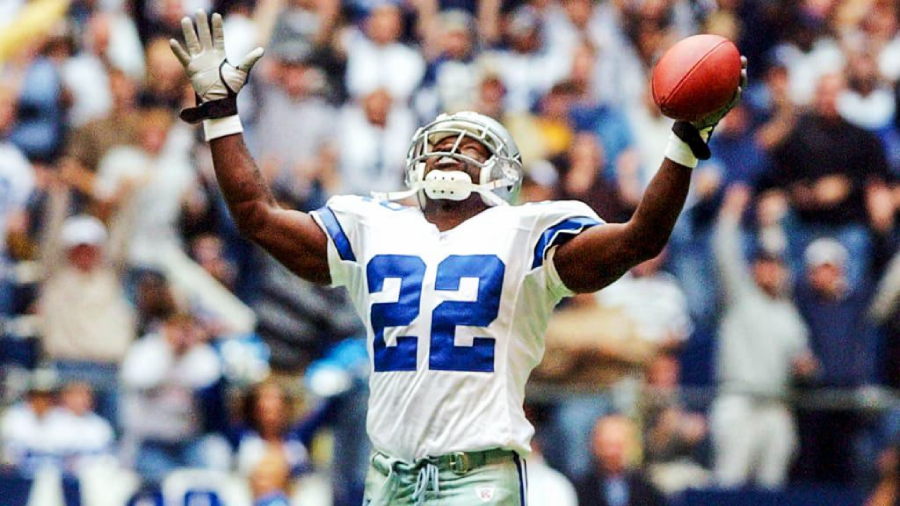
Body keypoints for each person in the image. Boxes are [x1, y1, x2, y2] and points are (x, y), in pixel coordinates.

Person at [169, 11, 746, 504]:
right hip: (388, 474)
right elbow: (257, 216)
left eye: (469, 147)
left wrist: (684, 143)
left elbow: (640, 237)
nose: (449, 153)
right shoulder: (372, 224)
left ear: (500, 174)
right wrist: (220, 111)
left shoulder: (527, 231)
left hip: (479, 476)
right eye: (440, 143)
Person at [575, 414, 666, 506]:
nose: (611, 453)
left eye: (617, 446)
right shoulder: (579, 489)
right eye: (605, 445)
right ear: (593, 445)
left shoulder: (646, 489)